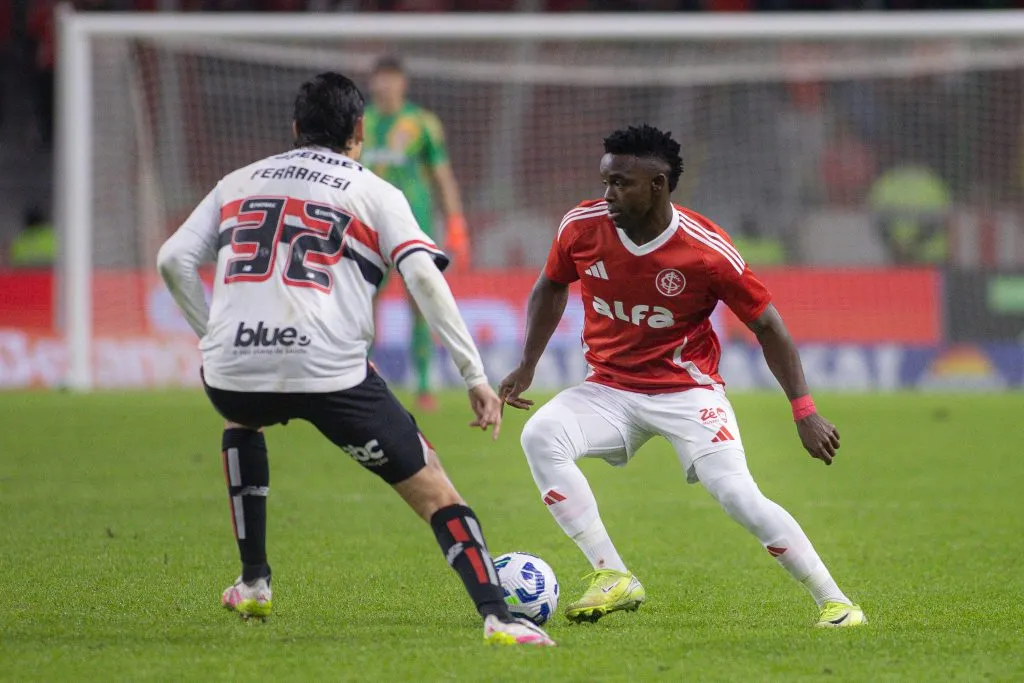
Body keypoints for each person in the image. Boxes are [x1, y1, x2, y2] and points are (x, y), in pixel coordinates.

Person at [156, 72, 553, 647]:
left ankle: (253, 582)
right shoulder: (374, 191)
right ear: (359, 131)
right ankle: (498, 616)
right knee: (437, 492)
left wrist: (212, 334)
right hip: (331, 373)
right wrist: (473, 373)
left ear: (294, 129)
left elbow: (173, 259)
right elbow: (421, 275)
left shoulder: (236, 182)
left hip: (233, 370)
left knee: (242, 417)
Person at [499, 125, 865, 629]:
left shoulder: (707, 250)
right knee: (540, 434)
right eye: (606, 181)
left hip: (687, 393)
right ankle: (613, 575)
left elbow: (768, 325)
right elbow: (550, 287)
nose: (607, 195)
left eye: (621, 183)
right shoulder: (581, 227)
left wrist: (804, 411)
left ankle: (837, 602)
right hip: (608, 388)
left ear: (659, 185)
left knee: (739, 496)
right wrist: (528, 362)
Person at [362, 55, 470, 412]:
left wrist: (455, 224)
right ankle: (362, 381)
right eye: (380, 78)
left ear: (402, 83)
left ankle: (424, 386)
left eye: (391, 78)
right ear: (372, 82)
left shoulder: (422, 123)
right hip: (369, 228)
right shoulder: (360, 122)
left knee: (421, 305)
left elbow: (442, 175)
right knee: (363, 306)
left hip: (413, 228)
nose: (385, 85)